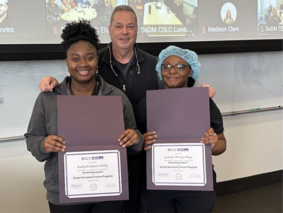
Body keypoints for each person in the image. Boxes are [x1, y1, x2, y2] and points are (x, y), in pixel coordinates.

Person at [38, 5, 216, 213]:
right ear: (110, 29)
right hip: (101, 162)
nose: (124, 32)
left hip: (146, 159)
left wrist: (201, 91)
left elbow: (176, 96)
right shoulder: (94, 61)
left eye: (130, 26)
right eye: (119, 26)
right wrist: (52, 82)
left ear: (137, 30)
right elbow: (76, 86)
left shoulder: (155, 65)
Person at [25, 19, 143, 213]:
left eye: (89, 58)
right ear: (67, 62)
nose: (83, 64)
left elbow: (134, 141)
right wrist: (43, 144)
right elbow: (32, 139)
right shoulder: (49, 97)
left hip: (108, 191)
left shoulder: (116, 97)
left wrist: (134, 138)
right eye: (75, 58)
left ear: (97, 60)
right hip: (64, 194)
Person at [141, 46, 227, 213]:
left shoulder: (203, 102)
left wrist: (215, 144)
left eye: (180, 66)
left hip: (196, 184)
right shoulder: (146, 104)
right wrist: (141, 140)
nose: (172, 71)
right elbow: (136, 142)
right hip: (158, 183)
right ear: (160, 70)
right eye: (166, 66)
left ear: (190, 71)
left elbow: (222, 143)